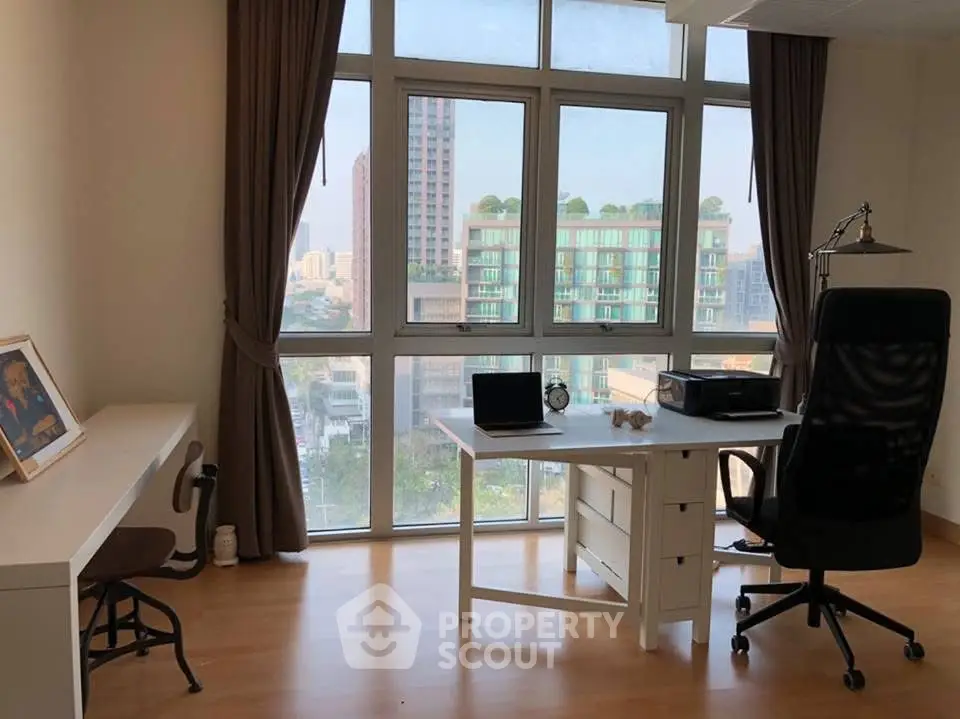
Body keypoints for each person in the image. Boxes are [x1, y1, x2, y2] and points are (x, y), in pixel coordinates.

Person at [0, 354, 65, 460]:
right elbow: (18, 439)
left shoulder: (35, 395)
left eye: (21, 378)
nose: (19, 385)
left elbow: (52, 417)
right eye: (11, 383)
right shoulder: (10, 408)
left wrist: (37, 429)